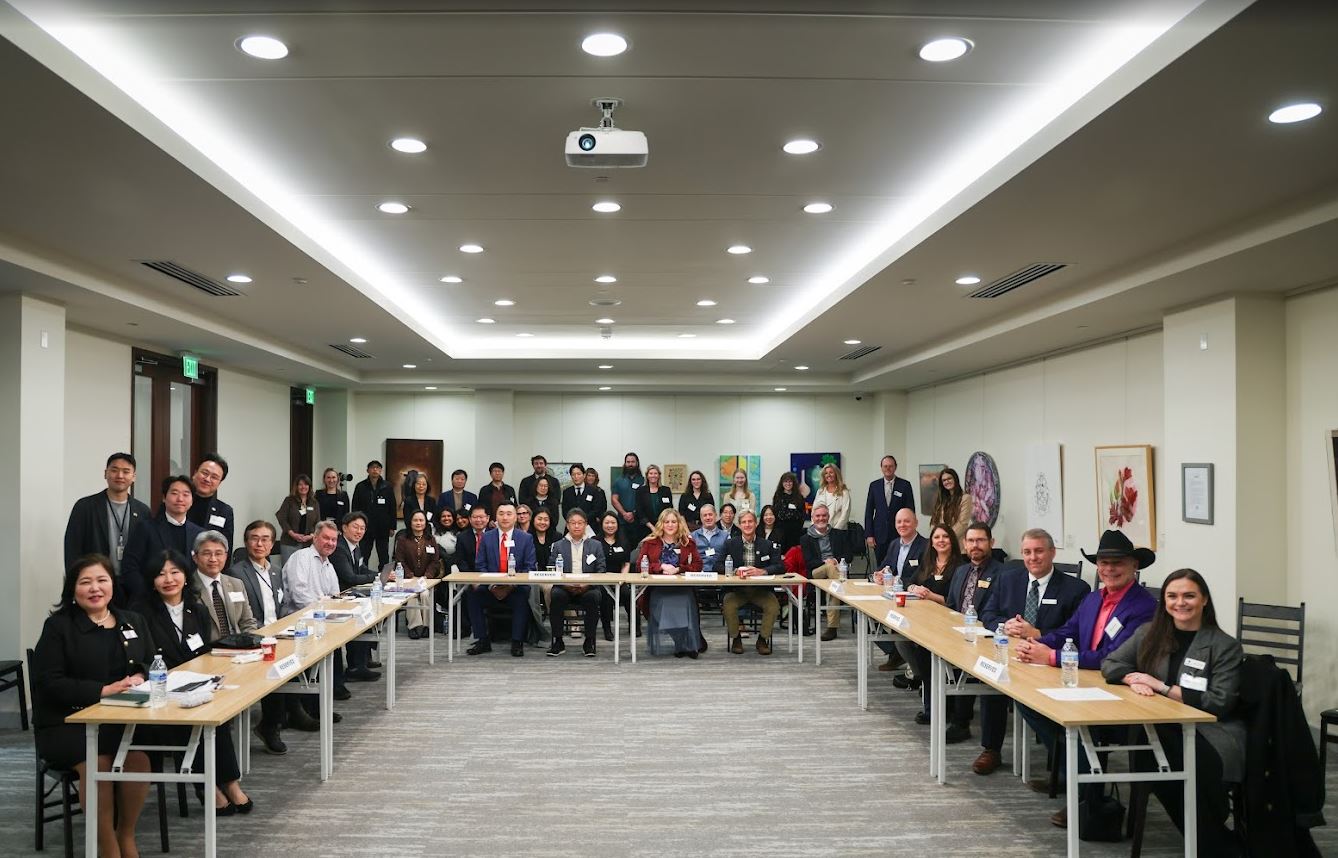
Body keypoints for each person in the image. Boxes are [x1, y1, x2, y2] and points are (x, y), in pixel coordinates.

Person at [1015, 529, 1158, 827]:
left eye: (1118, 563)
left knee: (1079, 726)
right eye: (1104, 563)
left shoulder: (1144, 606)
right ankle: (1072, 773)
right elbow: (1067, 633)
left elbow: (1112, 657)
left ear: (1134, 566)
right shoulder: (1093, 599)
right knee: (1028, 701)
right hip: (1087, 681)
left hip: (1123, 691)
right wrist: (1037, 644)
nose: (1109, 569)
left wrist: (1052, 657)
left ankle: (1085, 799)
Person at [1102, 569, 1246, 856]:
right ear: (1164, 601)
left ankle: (1212, 840)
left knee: (1158, 755)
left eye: (1189, 596)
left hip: (1211, 731)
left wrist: (1162, 688)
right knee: (1157, 749)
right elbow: (1111, 663)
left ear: (1204, 600)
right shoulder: (1149, 633)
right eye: (1172, 596)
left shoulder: (1224, 645)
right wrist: (1133, 679)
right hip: (1163, 728)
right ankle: (1214, 842)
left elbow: (1219, 702)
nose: (1180, 603)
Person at [32, 556, 155, 858]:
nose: (95, 588)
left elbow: (150, 661)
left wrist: (140, 676)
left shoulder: (132, 620)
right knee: (98, 764)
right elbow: (48, 682)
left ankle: (125, 834)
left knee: (138, 760)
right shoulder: (58, 627)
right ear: (72, 589)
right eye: (85, 582)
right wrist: (102, 691)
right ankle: (107, 845)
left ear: (112, 584)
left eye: (102, 580)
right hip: (67, 722)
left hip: (119, 718)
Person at [132, 549, 251, 813]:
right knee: (194, 719)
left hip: (194, 684)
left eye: (175, 572)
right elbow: (144, 657)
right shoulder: (140, 613)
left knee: (216, 715)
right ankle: (207, 787)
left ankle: (230, 782)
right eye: (160, 574)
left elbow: (203, 651)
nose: (169, 579)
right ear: (151, 580)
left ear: (186, 576)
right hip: (161, 693)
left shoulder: (196, 609)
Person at [968, 529, 1091, 776]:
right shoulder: (1007, 579)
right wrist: (1005, 625)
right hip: (1011, 652)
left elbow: (1077, 633)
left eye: (1039, 551)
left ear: (1052, 552)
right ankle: (991, 749)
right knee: (992, 681)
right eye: (1027, 552)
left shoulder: (1075, 589)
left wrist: (1038, 632)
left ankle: (1060, 764)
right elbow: (988, 614)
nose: (1032, 557)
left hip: (1051, 662)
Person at [226, 520, 315, 752]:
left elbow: (281, 605)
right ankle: (271, 724)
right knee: (276, 662)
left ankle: (293, 710)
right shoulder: (237, 573)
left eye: (265, 539)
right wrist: (266, 634)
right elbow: (242, 616)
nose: (259, 544)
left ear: (272, 543)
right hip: (255, 636)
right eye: (254, 538)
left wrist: (287, 626)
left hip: (278, 632)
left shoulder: (275, 571)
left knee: (303, 648)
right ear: (246, 542)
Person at [942, 521, 1007, 744]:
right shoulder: (961, 571)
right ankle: (940, 710)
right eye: (970, 541)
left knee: (968, 656)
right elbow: (952, 606)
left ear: (991, 543)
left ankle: (961, 722)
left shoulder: (1003, 573)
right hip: (959, 631)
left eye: (980, 540)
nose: (975, 545)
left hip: (986, 637)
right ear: (964, 544)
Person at [282, 520, 353, 709]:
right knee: (327, 639)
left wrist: (333, 611)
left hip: (321, 618)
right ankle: (313, 705)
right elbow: (299, 595)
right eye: (326, 538)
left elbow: (335, 595)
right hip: (298, 620)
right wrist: (324, 611)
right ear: (314, 537)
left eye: (333, 540)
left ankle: (332, 689)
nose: (330, 543)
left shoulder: (328, 564)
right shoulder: (301, 557)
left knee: (338, 636)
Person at [904, 525, 965, 724]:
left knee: (936, 667)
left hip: (948, 626)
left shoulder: (960, 567)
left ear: (952, 540)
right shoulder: (928, 562)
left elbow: (955, 602)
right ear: (931, 542)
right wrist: (914, 588)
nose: (941, 540)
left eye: (945, 536)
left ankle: (944, 710)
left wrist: (932, 596)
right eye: (936, 537)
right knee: (923, 662)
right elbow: (909, 582)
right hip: (924, 623)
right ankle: (931, 708)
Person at [63, 451, 151, 576]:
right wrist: (75, 579)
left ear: (133, 477)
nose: (120, 475)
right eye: (114, 470)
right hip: (96, 579)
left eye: (126, 472)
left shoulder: (143, 511)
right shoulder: (85, 507)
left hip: (131, 581)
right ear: (105, 473)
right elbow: (72, 547)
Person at [120, 474, 203, 606]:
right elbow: (130, 566)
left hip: (188, 601)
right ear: (164, 497)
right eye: (174, 493)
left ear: (192, 500)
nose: (180, 499)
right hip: (149, 601)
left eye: (186, 494)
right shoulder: (146, 528)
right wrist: (148, 594)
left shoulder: (199, 533)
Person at [467, 501, 535, 656]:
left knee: (523, 595)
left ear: (515, 518)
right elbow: (480, 565)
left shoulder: (526, 538)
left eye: (509, 514)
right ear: (495, 517)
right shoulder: (486, 537)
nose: (505, 517)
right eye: (501, 514)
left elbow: (529, 567)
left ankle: (517, 642)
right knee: (472, 595)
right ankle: (482, 640)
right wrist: (492, 586)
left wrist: (511, 586)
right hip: (491, 587)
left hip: (515, 587)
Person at [637, 509, 705, 658]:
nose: (670, 525)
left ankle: (687, 643)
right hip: (658, 588)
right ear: (661, 524)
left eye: (673, 521)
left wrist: (679, 569)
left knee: (686, 600)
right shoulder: (649, 542)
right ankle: (681, 641)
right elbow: (639, 565)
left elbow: (698, 565)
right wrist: (660, 566)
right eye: (666, 522)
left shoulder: (688, 542)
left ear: (679, 524)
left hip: (681, 587)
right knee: (663, 604)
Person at [872, 508, 928, 673]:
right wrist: (878, 575)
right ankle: (896, 652)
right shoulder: (894, 544)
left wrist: (897, 580)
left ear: (916, 523)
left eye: (907, 521)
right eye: (899, 522)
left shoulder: (925, 546)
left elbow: (921, 577)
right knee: (860, 615)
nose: (902, 525)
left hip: (913, 599)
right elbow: (884, 567)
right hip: (891, 595)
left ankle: (901, 653)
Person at [722, 510, 784, 655]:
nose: (747, 525)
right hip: (737, 591)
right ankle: (736, 638)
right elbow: (717, 565)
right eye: (744, 522)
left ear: (756, 524)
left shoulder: (767, 544)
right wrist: (734, 570)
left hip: (760, 590)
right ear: (739, 525)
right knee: (728, 604)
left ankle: (762, 639)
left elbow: (780, 566)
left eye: (750, 521)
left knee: (773, 606)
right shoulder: (730, 544)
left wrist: (763, 571)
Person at [546, 509, 607, 657]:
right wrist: (566, 585)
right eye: (573, 523)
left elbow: (601, 569)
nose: (577, 526)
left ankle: (589, 641)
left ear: (586, 525)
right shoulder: (558, 545)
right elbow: (552, 568)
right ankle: (557, 641)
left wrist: (587, 585)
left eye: (580, 523)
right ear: (567, 525)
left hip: (588, 587)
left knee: (593, 597)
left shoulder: (595, 545)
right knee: (556, 595)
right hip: (564, 587)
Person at [330, 512, 381, 680]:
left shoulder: (355, 546)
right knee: (364, 612)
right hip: (339, 598)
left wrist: (380, 575)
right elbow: (350, 577)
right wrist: (376, 577)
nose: (359, 532)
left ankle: (361, 660)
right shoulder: (339, 548)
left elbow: (362, 569)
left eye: (362, 528)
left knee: (372, 609)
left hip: (352, 594)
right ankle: (356, 666)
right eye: (355, 527)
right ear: (344, 528)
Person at [801, 504, 855, 641]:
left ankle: (832, 628)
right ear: (812, 518)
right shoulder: (805, 538)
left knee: (834, 587)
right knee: (832, 571)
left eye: (824, 515)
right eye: (818, 516)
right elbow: (809, 562)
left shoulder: (838, 534)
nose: (821, 518)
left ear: (828, 517)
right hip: (816, 573)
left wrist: (835, 560)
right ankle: (847, 591)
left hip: (835, 572)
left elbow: (849, 556)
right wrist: (826, 562)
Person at [193, 530, 258, 640]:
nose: (213, 559)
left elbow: (247, 622)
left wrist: (251, 643)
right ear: (195, 557)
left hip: (238, 645)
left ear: (226, 556)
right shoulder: (188, 587)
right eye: (207, 554)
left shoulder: (236, 584)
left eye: (218, 554)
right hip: (208, 647)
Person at [393, 509, 443, 638]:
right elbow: (399, 561)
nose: (418, 523)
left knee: (425, 594)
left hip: (426, 579)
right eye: (415, 520)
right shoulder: (402, 540)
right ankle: (414, 626)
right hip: (408, 579)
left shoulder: (431, 540)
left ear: (425, 523)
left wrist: (427, 576)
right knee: (412, 596)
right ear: (410, 522)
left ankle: (426, 626)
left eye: (421, 520)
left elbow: (435, 561)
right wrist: (411, 576)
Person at [864, 455, 915, 565]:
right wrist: (869, 534)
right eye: (885, 466)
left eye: (890, 466)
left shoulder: (905, 485)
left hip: (899, 533)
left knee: (898, 564)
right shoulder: (874, 486)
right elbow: (869, 512)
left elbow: (910, 511)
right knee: (881, 565)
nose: (888, 468)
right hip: (879, 535)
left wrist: (909, 532)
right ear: (881, 468)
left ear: (895, 467)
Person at [351, 460, 396, 570]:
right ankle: (362, 575)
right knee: (364, 555)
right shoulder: (360, 486)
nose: (375, 470)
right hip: (365, 527)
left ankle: (384, 577)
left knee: (383, 555)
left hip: (383, 527)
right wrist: (355, 525)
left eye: (377, 468)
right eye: (372, 467)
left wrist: (392, 526)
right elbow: (355, 507)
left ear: (381, 470)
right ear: (368, 470)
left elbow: (392, 507)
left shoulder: (387, 486)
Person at [187, 453, 235, 551]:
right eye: (205, 473)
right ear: (195, 473)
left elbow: (226, 549)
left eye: (214, 477)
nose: (207, 479)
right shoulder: (180, 502)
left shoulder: (225, 511)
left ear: (219, 483)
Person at [597, 510, 631, 640]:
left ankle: (635, 626)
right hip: (601, 579)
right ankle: (607, 630)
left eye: (613, 522)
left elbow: (626, 564)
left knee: (628, 594)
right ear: (602, 524)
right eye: (607, 523)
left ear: (617, 524)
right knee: (605, 597)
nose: (610, 525)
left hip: (619, 578)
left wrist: (622, 579)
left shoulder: (624, 541)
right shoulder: (595, 541)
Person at [276, 473, 319, 561]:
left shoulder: (314, 502)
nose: (303, 487)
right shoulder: (289, 501)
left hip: (308, 544)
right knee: (289, 567)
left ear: (309, 486)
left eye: (306, 484)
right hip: (289, 543)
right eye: (300, 484)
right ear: (296, 486)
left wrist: (311, 536)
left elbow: (318, 522)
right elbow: (281, 517)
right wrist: (292, 534)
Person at [930, 467, 973, 542]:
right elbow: (935, 521)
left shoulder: (965, 498)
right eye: (944, 480)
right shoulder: (942, 500)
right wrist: (936, 537)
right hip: (940, 543)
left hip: (956, 542)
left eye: (949, 478)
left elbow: (962, 524)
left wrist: (947, 537)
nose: (947, 482)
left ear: (955, 479)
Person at [611, 452, 645, 541]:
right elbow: (614, 500)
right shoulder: (618, 481)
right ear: (625, 463)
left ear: (637, 463)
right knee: (623, 546)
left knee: (639, 547)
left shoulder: (643, 481)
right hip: (623, 522)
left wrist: (633, 513)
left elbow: (646, 501)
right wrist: (624, 514)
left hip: (640, 521)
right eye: (628, 462)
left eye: (633, 462)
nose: (630, 464)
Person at [771, 472, 806, 551]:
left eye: (790, 481)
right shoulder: (778, 496)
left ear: (793, 483)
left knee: (794, 552)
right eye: (785, 481)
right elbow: (776, 513)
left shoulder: (799, 497)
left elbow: (802, 514)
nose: (788, 484)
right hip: (781, 531)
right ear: (782, 483)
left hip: (795, 531)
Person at [636, 464, 674, 535]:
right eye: (651, 473)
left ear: (659, 475)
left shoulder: (666, 490)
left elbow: (669, 509)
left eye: (655, 473)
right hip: (645, 527)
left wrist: (662, 525)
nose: (653, 475)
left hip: (663, 526)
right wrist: (651, 526)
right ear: (647, 476)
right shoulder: (640, 490)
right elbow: (639, 511)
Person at [812, 463, 852, 530]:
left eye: (831, 472)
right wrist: (815, 527)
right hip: (821, 531)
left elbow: (845, 514)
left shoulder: (844, 492)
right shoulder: (820, 491)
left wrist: (834, 531)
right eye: (826, 473)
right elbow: (814, 510)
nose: (828, 475)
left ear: (836, 474)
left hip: (838, 531)